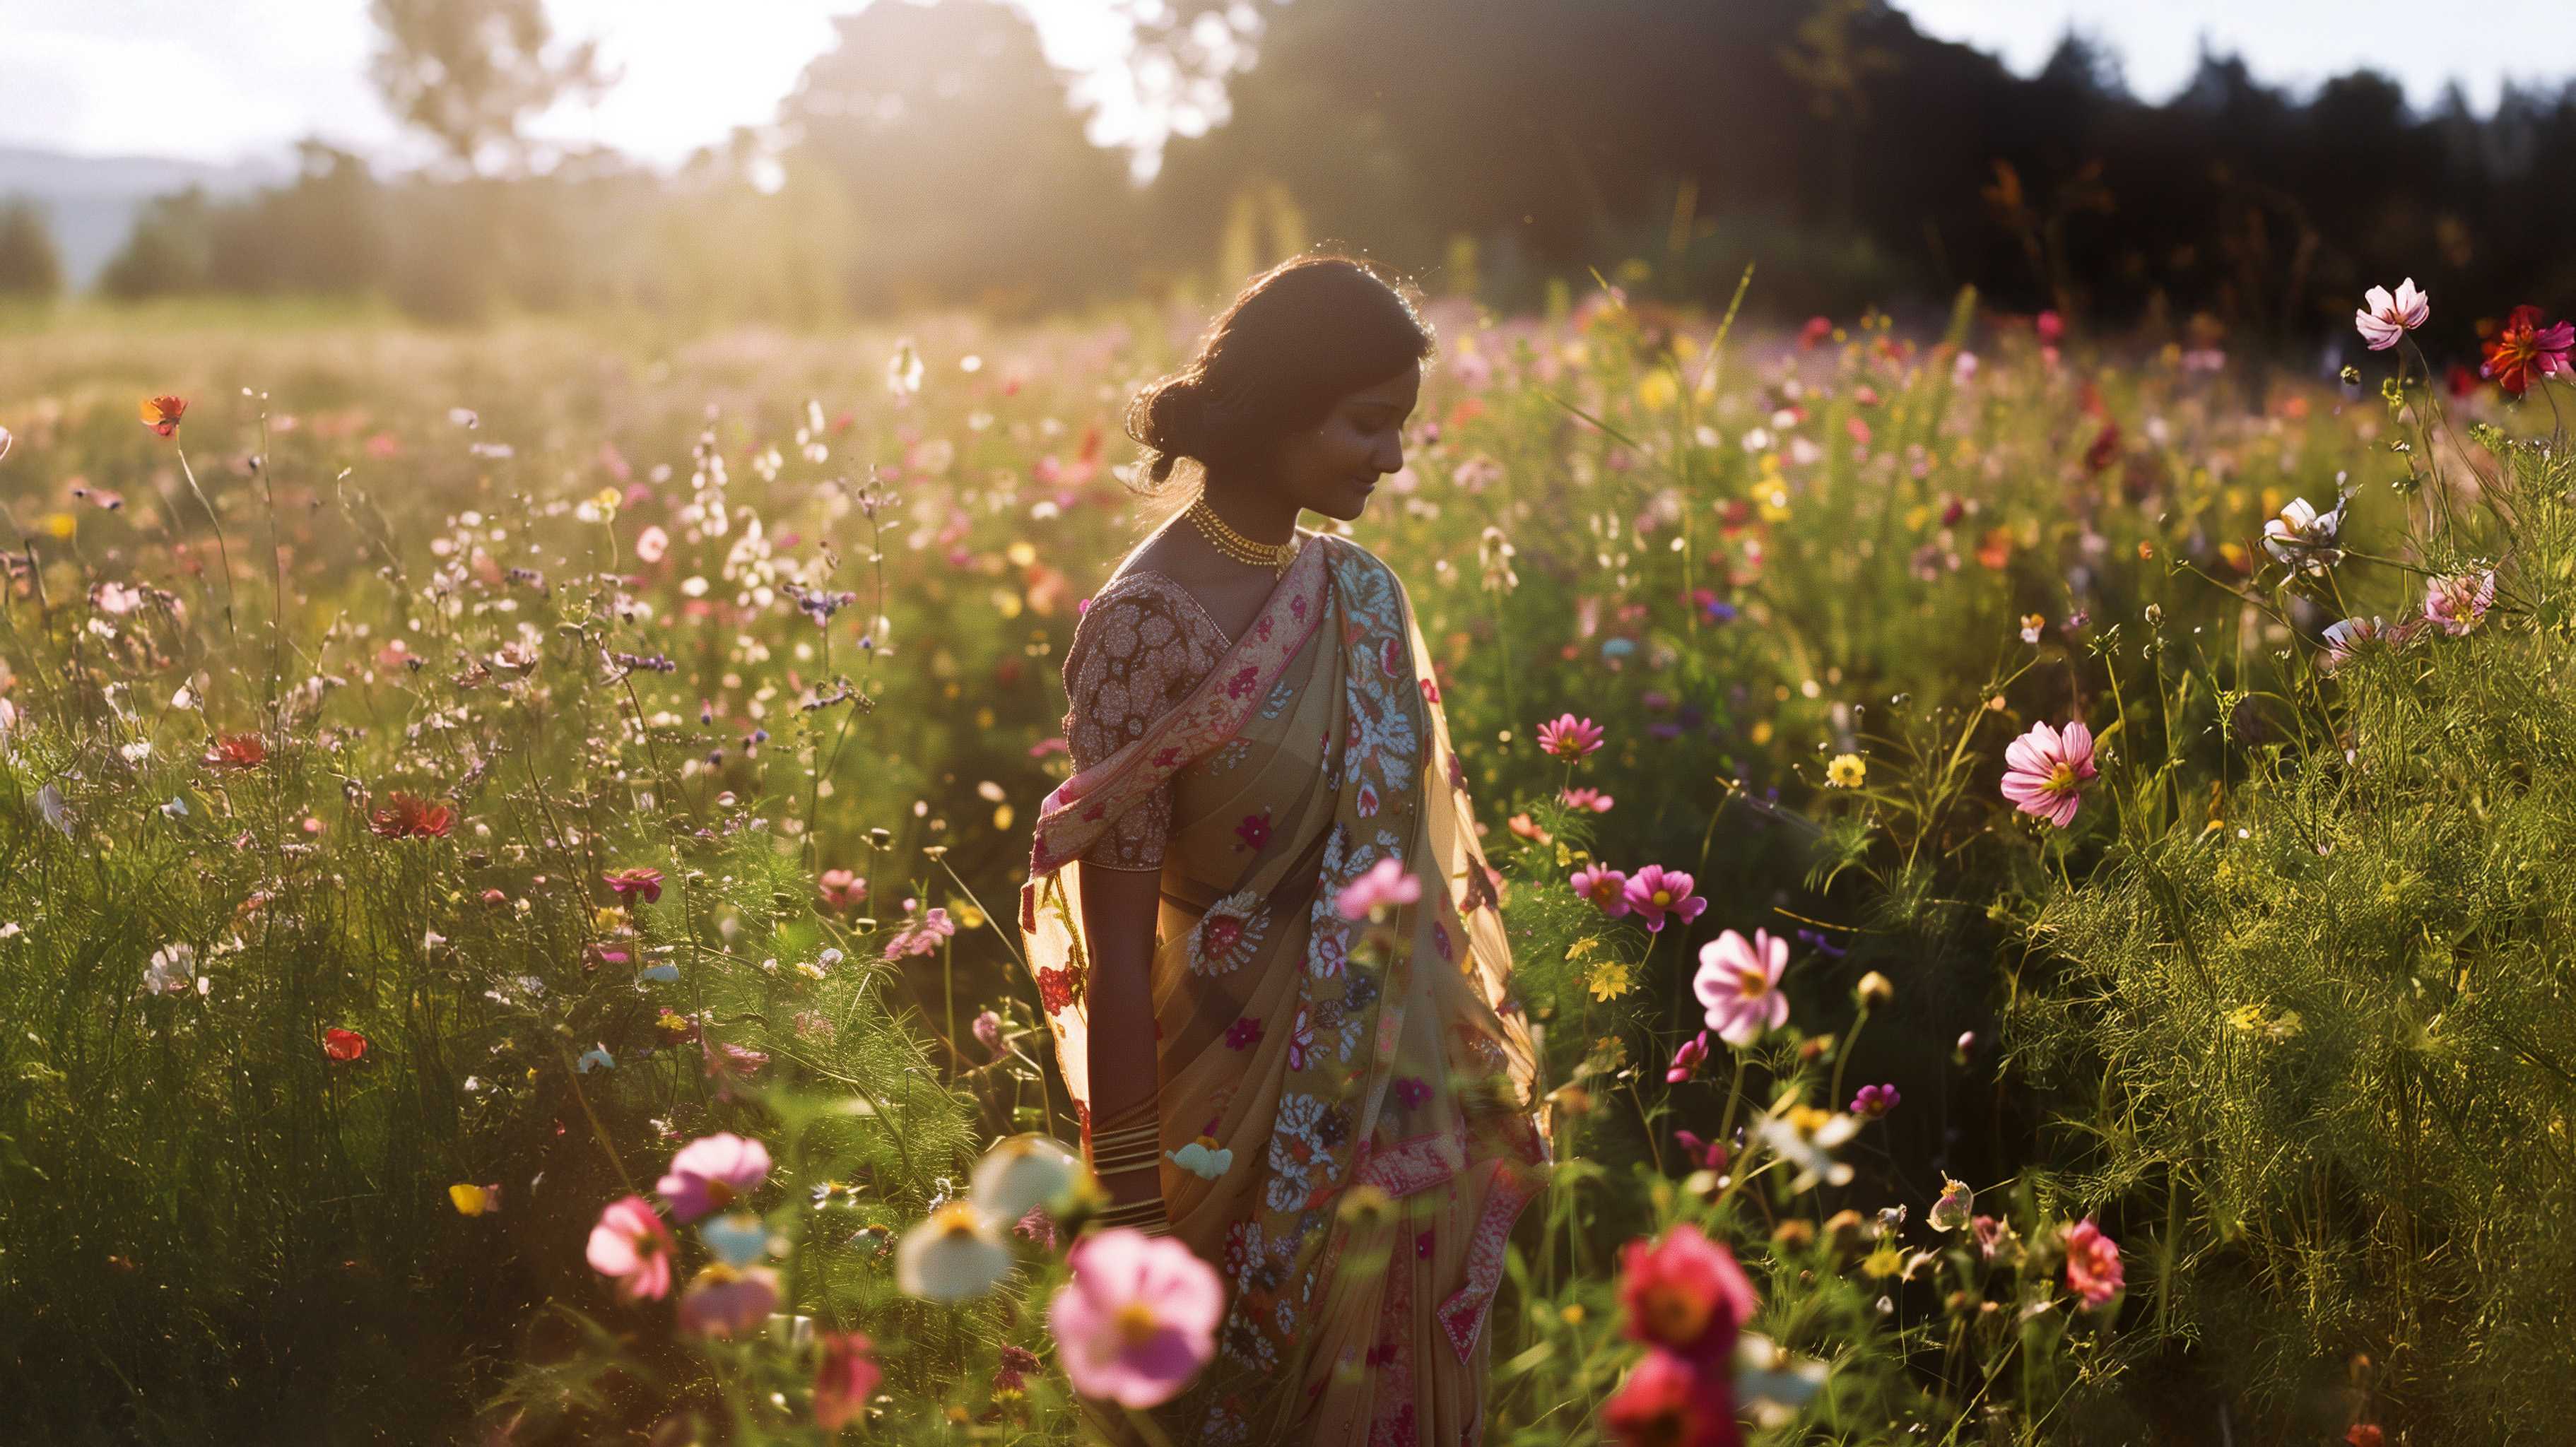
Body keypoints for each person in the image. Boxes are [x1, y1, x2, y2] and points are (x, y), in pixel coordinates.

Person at [1017, 253, 1554, 1445]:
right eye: (1367, 423)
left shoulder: (1361, 593)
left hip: (1388, 1106)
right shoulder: (1143, 626)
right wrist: (1133, 1208)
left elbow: (1409, 880)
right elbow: (1114, 951)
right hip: (1217, 1116)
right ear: (1279, 409)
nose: (1393, 457)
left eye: (1400, 426)